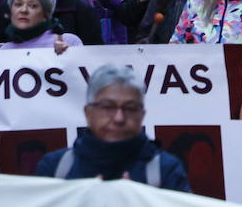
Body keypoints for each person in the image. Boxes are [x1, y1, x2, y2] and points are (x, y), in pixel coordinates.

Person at [36, 64, 191, 191]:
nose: (119, 118)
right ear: (88, 112)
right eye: (107, 107)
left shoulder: (165, 170)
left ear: (142, 115)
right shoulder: (55, 168)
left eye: (130, 108)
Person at [0, 0, 82, 52]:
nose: (24, 10)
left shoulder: (69, 42)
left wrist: (69, 56)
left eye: (33, 6)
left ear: (45, 15)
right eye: (18, 4)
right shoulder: (0, 51)